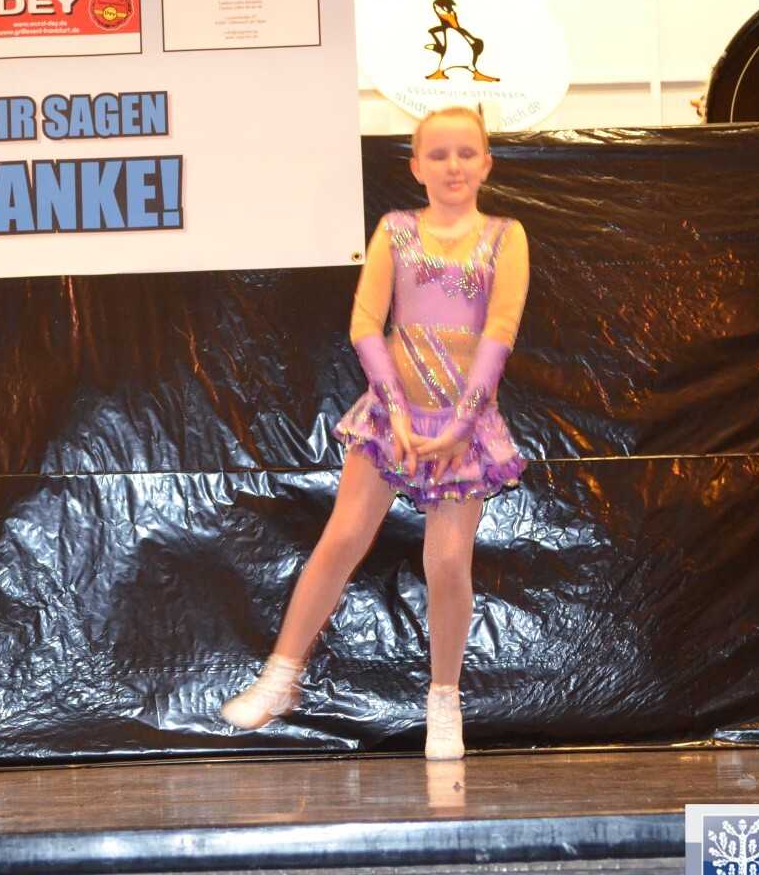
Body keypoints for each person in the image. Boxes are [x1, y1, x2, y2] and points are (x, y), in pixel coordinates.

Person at [220, 105, 529, 760]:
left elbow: (500, 332)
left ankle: (444, 701)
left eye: (465, 153)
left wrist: (459, 425)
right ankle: (281, 675)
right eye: (438, 154)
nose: (453, 166)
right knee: (341, 539)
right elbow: (365, 321)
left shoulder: (506, 237)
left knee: (447, 561)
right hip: (392, 415)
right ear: (415, 167)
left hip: (464, 424)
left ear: (486, 164)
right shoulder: (396, 230)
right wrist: (395, 409)